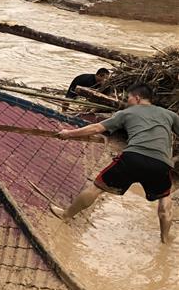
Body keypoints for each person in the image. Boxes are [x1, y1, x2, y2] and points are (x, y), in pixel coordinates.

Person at [51, 83, 177, 244]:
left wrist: (69, 134)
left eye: (129, 98)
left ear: (137, 98)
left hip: (133, 157)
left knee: (97, 187)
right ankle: (165, 239)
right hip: (161, 164)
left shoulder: (126, 113)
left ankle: (66, 215)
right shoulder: (170, 115)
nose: (127, 101)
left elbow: (96, 128)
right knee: (165, 198)